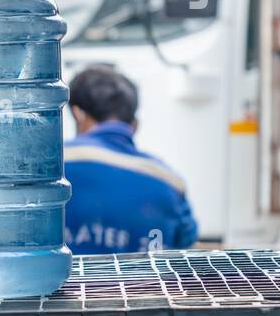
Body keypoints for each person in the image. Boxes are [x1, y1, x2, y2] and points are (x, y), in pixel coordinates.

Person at [63, 65, 198, 254]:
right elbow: (186, 240)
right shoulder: (170, 182)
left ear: (78, 114)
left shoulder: (48, 169)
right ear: (134, 125)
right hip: (145, 284)